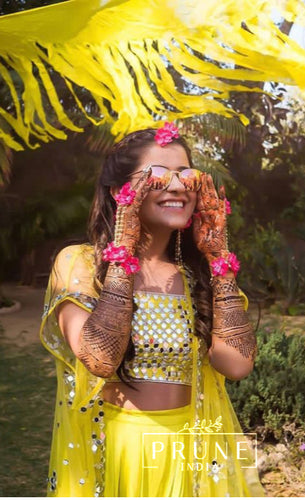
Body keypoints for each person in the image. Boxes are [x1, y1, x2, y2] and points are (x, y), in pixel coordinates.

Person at [40, 123, 265, 497]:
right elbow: (99, 359)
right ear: (119, 192)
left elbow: (237, 365)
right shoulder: (79, 264)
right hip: (121, 450)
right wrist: (123, 253)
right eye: (159, 175)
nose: (177, 186)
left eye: (186, 175)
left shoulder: (201, 274)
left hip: (194, 453)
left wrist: (219, 257)